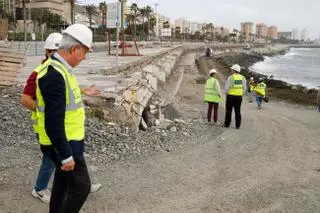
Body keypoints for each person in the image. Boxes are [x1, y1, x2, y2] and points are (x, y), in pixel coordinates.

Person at [21, 33, 102, 203]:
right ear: (73, 49)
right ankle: (40, 188)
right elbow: (27, 100)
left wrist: (82, 91)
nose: (85, 58)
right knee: (79, 185)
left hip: (67, 134)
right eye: (84, 53)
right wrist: (47, 109)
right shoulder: (49, 73)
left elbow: (64, 97)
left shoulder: (62, 70)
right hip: (57, 135)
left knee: (62, 179)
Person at [223, 64, 246, 129]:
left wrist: (226, 93)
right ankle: (237, 125)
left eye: (232, 69)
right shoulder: (243, 78)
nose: (231, 70)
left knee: (228, 111)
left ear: (234, 70)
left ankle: (227, 124)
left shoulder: (231, 77)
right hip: (239, 97)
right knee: (238, 111)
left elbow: (226, 88)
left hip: (230, 97)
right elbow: (244, 88)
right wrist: (241, 94)